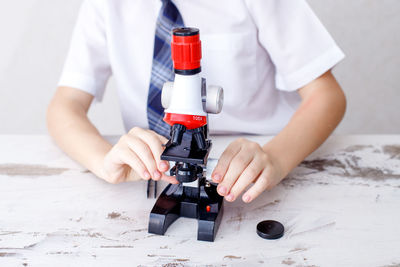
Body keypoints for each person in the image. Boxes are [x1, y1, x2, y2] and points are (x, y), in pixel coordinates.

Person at [47, 0, 346, 204]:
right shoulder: (106, 5)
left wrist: (277, 158)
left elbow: (326, 96)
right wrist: (104, 161)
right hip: (153, 176)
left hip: (252, 171)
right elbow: (65, 105)